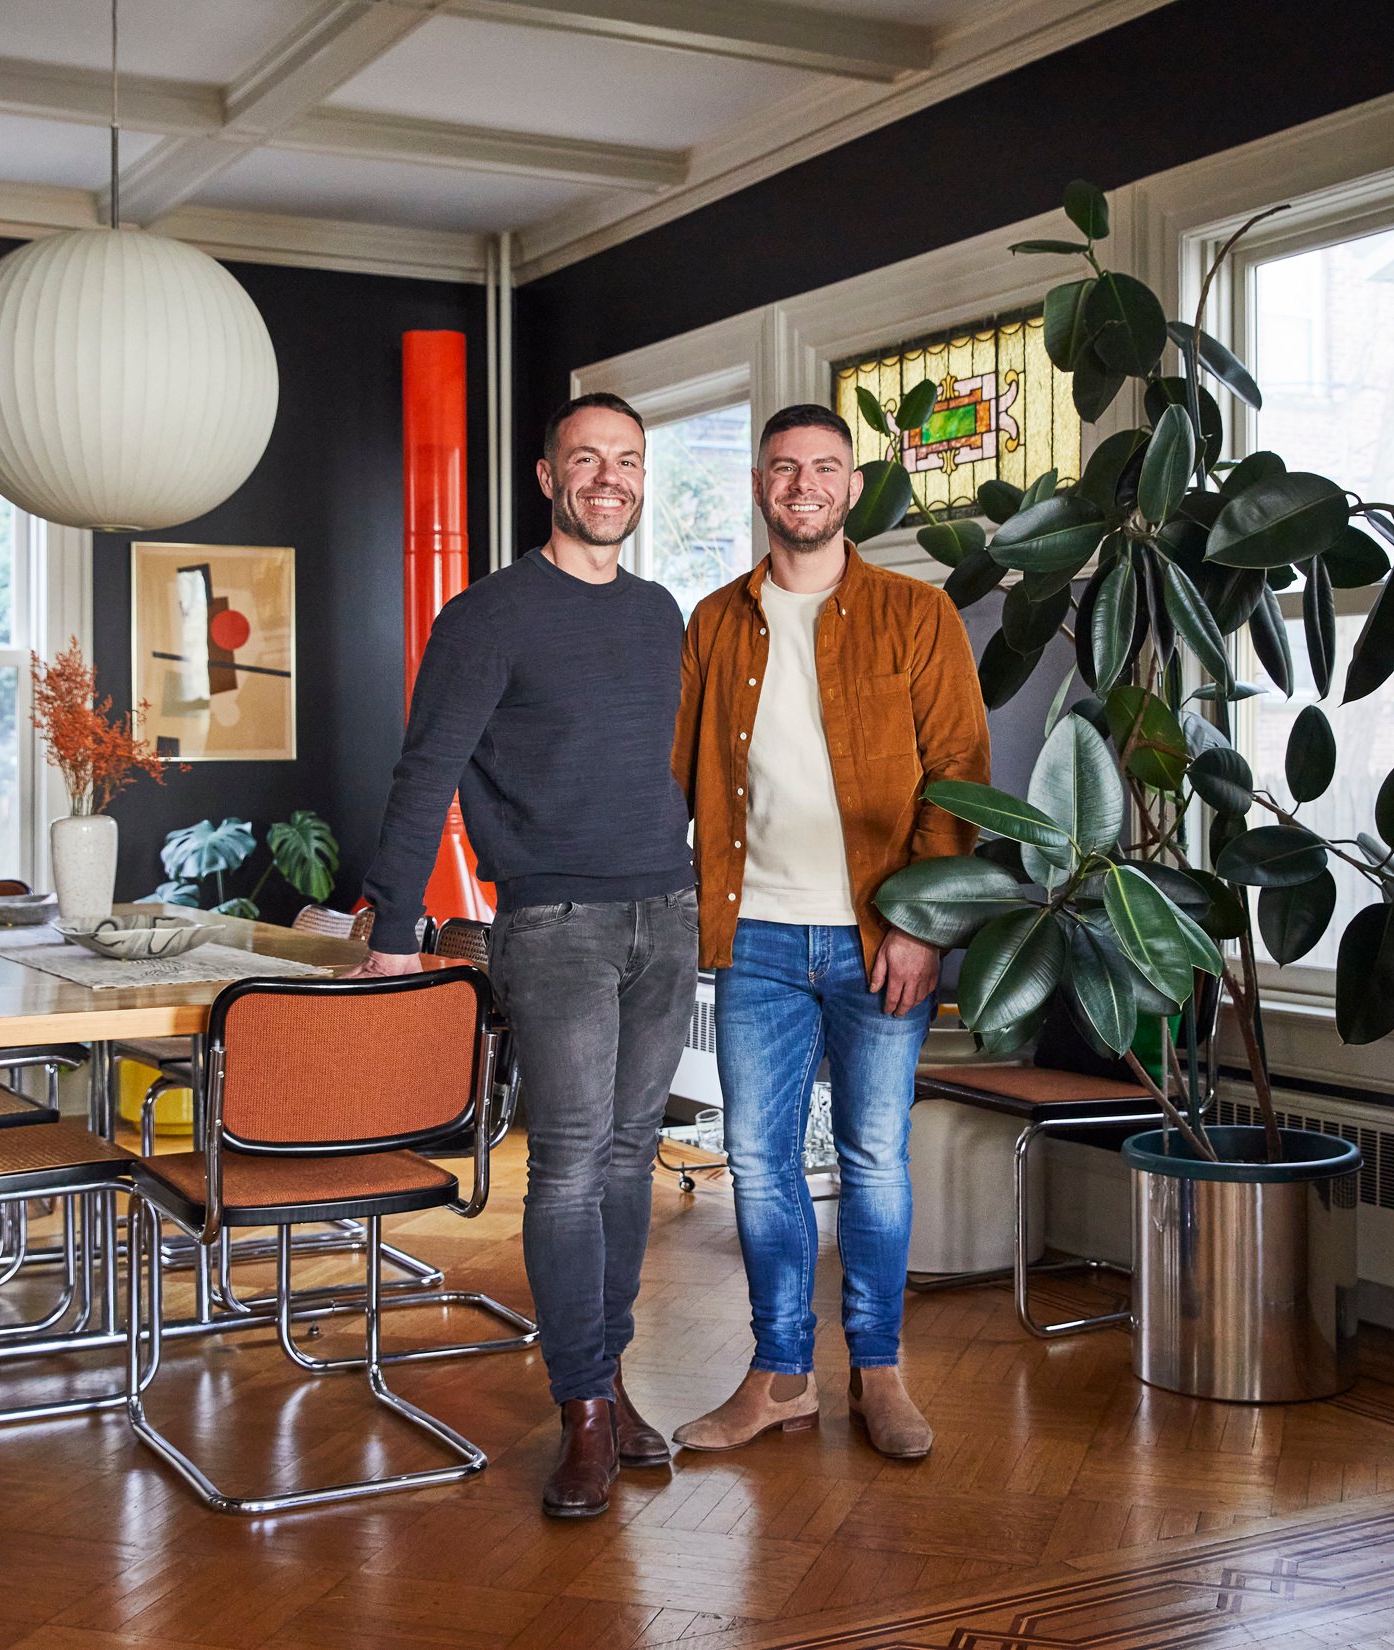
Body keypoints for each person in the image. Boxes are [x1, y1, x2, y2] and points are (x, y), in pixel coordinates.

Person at [355, 392, 699, 1518]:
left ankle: (608, 1378)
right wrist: (394, 934)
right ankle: (584, 1413)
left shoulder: (661, 615)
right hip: (552, 927)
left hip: (667, 916)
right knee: (564, 1166)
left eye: (629, 461)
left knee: (628, 1157)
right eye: (587, 459)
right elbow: (425, 774)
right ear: (547, 478)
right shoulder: (488, 615)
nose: (610, 477)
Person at [670, 403, 990, 1460]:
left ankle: (880, 1370)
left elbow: (957, 778)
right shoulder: (714, 623)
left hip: (880, 938)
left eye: (824, 467)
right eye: (782, 468)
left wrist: (922, 922)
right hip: (753, 936)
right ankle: (779, 1377)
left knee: (874, 1160)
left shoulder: (916, 614)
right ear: (759, 488)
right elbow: (670, 778)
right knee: (758, 1164)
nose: (803, 483)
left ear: (853, 489)